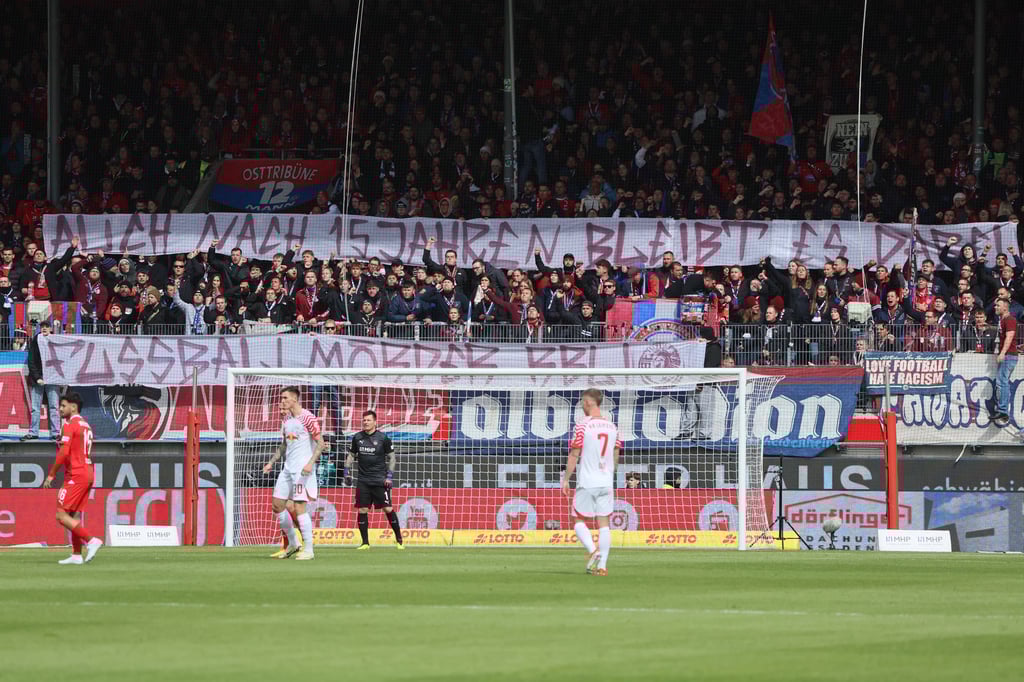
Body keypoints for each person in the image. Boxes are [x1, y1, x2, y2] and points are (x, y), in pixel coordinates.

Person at [561, 388, 622, 576]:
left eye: (582, 400)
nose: (581, 404)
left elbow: (574, 454)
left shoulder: (582, 426)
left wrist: (566, 479)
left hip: (588, 480)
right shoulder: (612, 427)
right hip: (606, 480)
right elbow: (616, 453)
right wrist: (610, 472)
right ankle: (602, 566)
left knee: (577, 518)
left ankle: (593, 551)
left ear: (588, 402)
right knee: (604, 523)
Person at [261, 387, 325, 560]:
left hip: (302, 470)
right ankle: (293, 543)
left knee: (299, 507)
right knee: (277, 504)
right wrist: (271, 462)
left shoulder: (308, 417)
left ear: (295, 399)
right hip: (287, 469)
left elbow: (321, 443)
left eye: (285, 398)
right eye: (281, 398)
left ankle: (309, 549)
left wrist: (310, 464)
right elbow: (284, 444)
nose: (282, 401)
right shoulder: (287, 420)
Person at [42, 392, 103, 564]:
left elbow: (64, 452)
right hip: (88, 471)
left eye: (63, 405)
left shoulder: (69, 424)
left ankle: (91, 540)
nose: (60, 409)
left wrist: (52, 474)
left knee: (61, 515)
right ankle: (77, 555)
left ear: (73, 406)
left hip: (76, 474)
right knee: (73, 515)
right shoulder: (86, 425)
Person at [345, 410, 404, 550]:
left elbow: (392, 457)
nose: (365, 422)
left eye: (368, 420)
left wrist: (389, 476)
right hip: (363, 481)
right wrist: (346, 472)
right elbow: (351, 455)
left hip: (379, 480)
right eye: (364, 420)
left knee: (388, 508)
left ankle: (399, 540)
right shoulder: (357, 437)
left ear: (375, 422)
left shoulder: (383, 438)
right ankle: (365, 543)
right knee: (362, 510)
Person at [22, 322, 61, 441]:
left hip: (53, 378)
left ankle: (56, 433)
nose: (44, 328)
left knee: (54, 406)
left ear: (50, 329)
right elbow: (31, 361)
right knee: (35, 407)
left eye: (47, 327)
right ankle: (33, 432)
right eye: (42, 327)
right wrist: (38, 377)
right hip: (37, 380)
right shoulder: (35, 341)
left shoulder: (57, 340)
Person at [993, 299, 1017, 425]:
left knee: (1002, 382)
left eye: (998, 305)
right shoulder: (1002, 321)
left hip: (1009, 356)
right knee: (1001, 381)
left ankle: (1003, 410)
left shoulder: (1009, 320)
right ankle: (1003, 411)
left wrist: (1002, 353)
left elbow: (1010, 336)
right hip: (1008, 356)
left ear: (1005, 307)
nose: (995, 307)